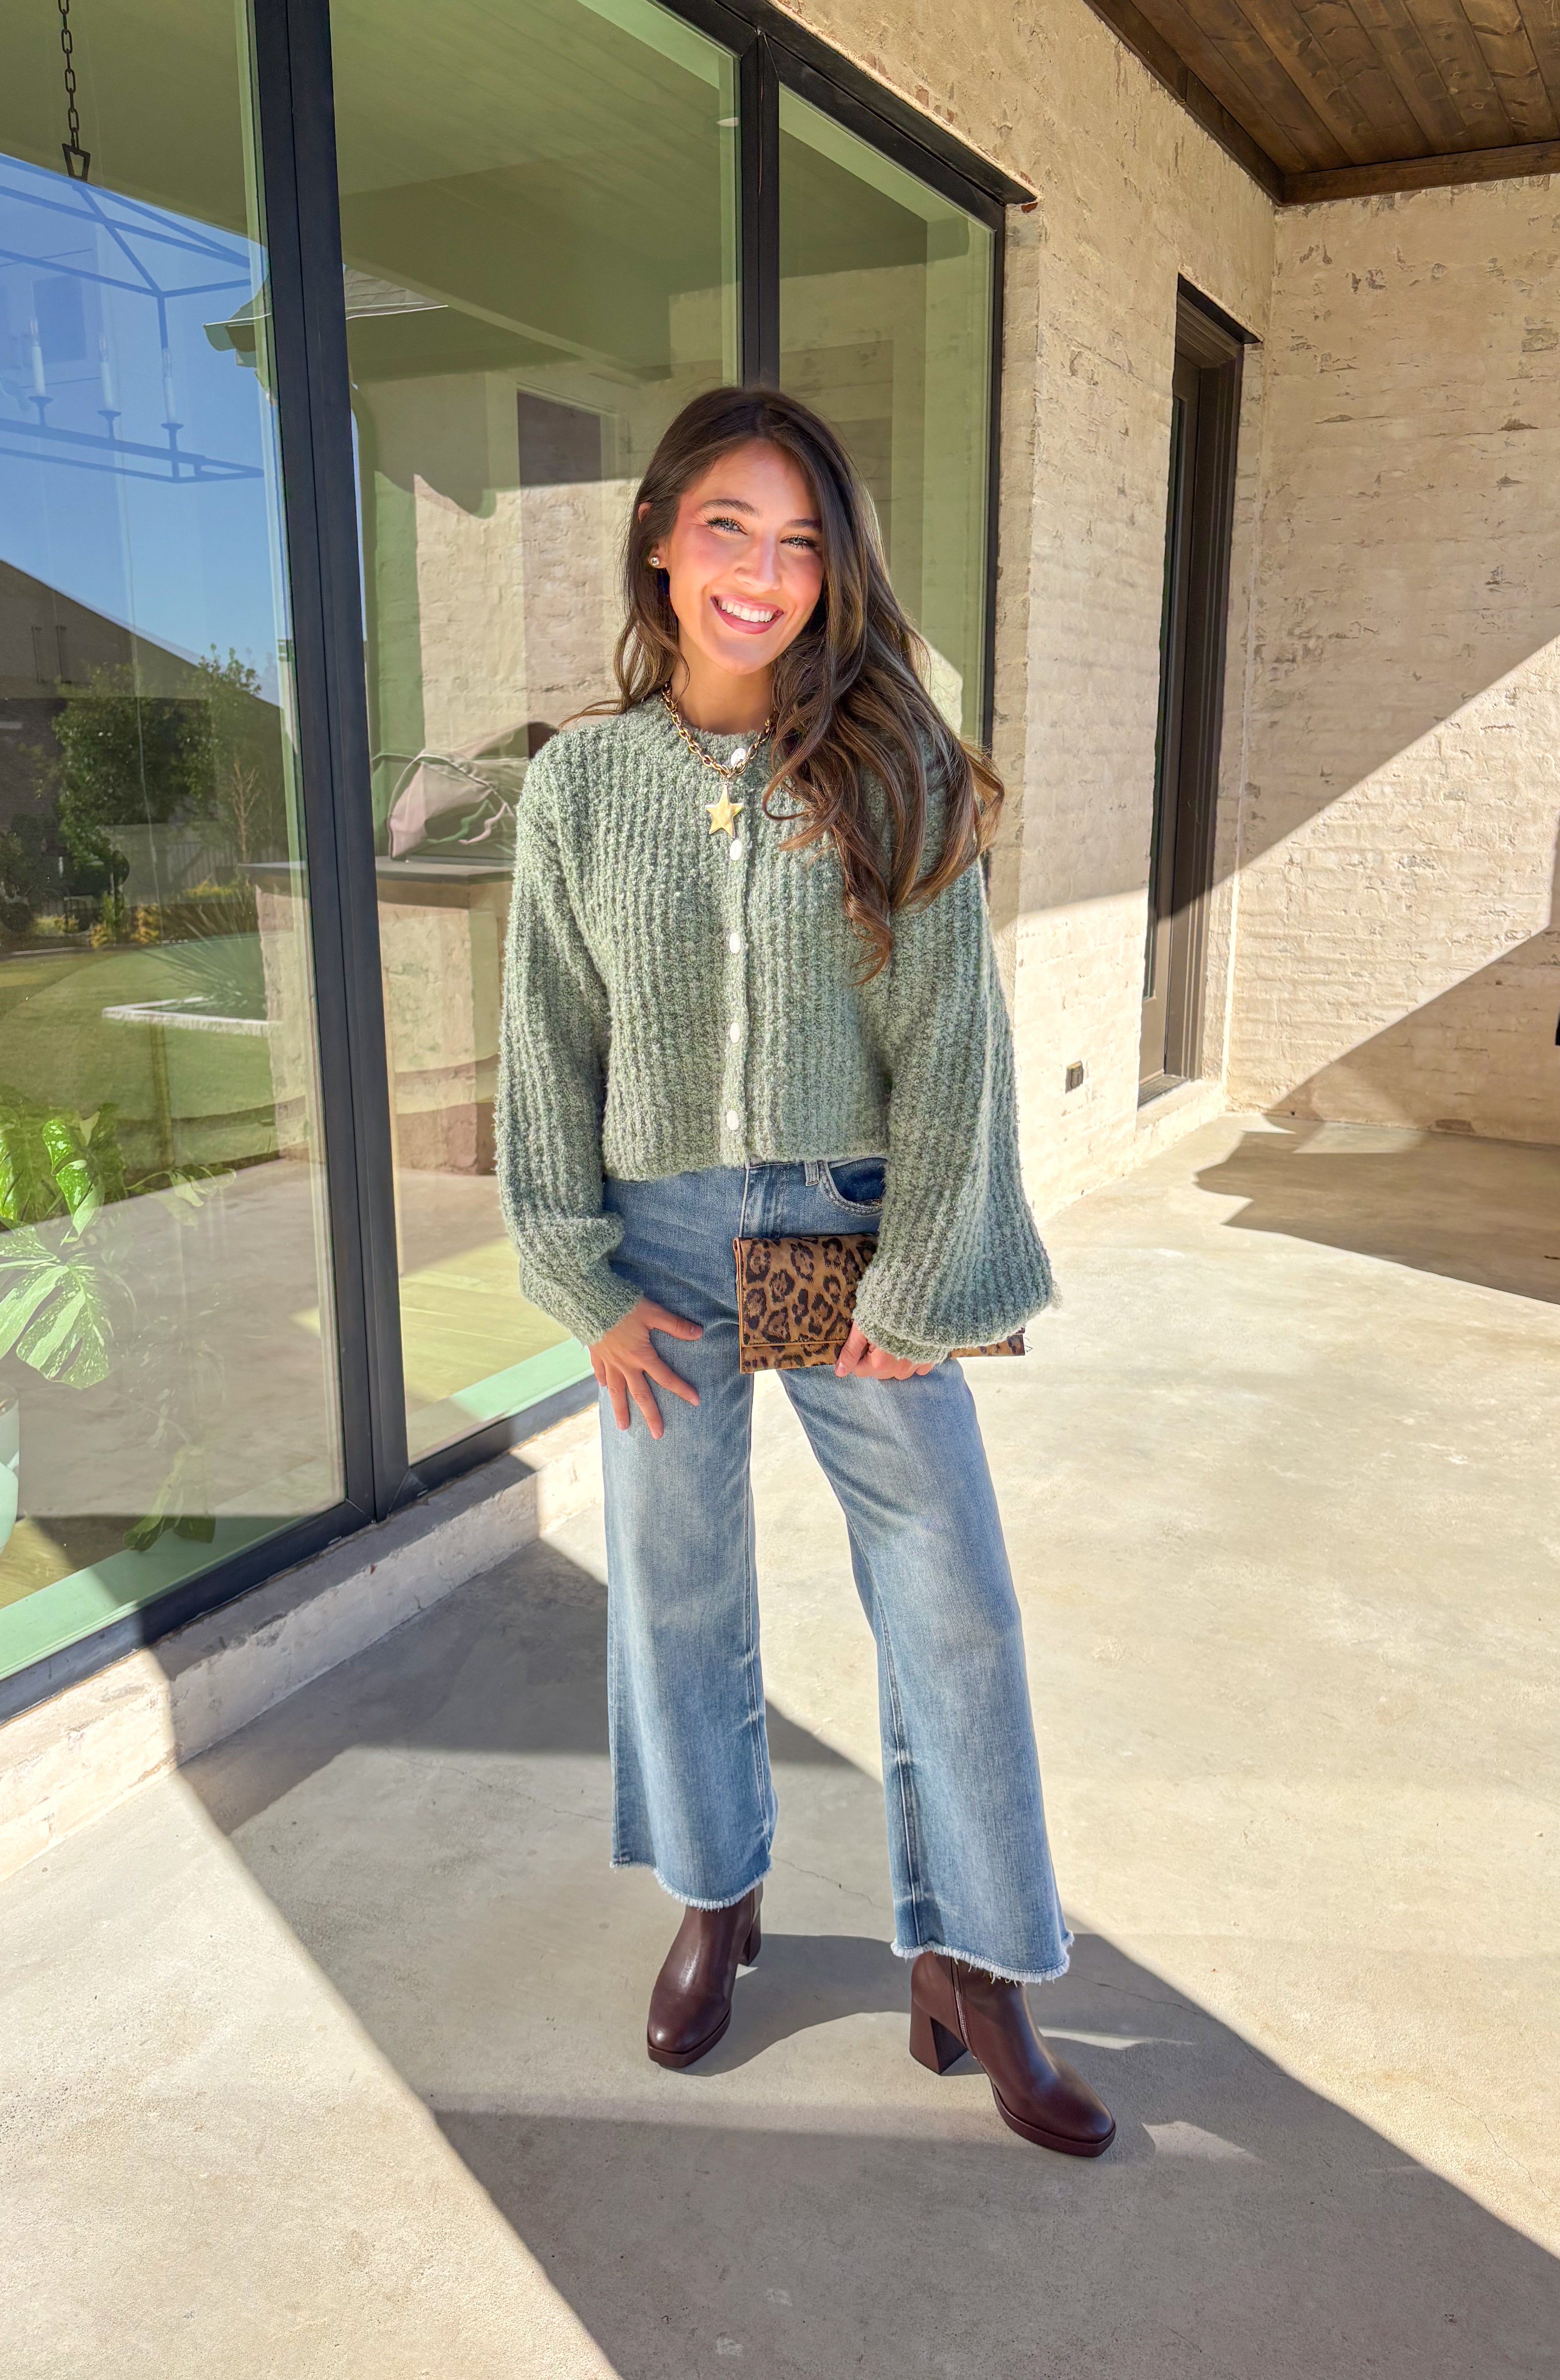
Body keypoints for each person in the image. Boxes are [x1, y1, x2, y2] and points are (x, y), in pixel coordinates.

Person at [497, 385, 1113, 2158]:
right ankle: (718, 1895)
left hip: (855, 1226)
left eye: (796, 543)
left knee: (953, 1597)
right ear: (661, 544)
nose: (760, 575)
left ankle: (977, 1958)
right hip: (658, 1235)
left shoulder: (892, 759)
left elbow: (956, 1044)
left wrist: (917, 1283)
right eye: (725, 532)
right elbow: (546, 1036)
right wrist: (575, 1267)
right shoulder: (581, 787)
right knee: (677, 1584)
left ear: (831, 569)